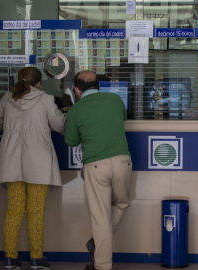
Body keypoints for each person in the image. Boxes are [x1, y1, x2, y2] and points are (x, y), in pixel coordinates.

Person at [0, 67, 67, 270]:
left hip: (11, 161)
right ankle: (36, 258)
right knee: (35, 212)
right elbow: (59, 125)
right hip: (38, 163)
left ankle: (10, 258)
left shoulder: (7, 99)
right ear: (39, 83)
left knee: (14, 211)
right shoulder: (46, 99)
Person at [64, 70, 133, 270]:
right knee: (121, 204)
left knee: (101, 219)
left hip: (95, 166)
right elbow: (122, 119)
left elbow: (71, 141)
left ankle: (102, 265)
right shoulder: (114, 100)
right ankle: (97, 242)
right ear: (99, 86)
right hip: (123, 162)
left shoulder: (76, 110)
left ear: (77, 90)